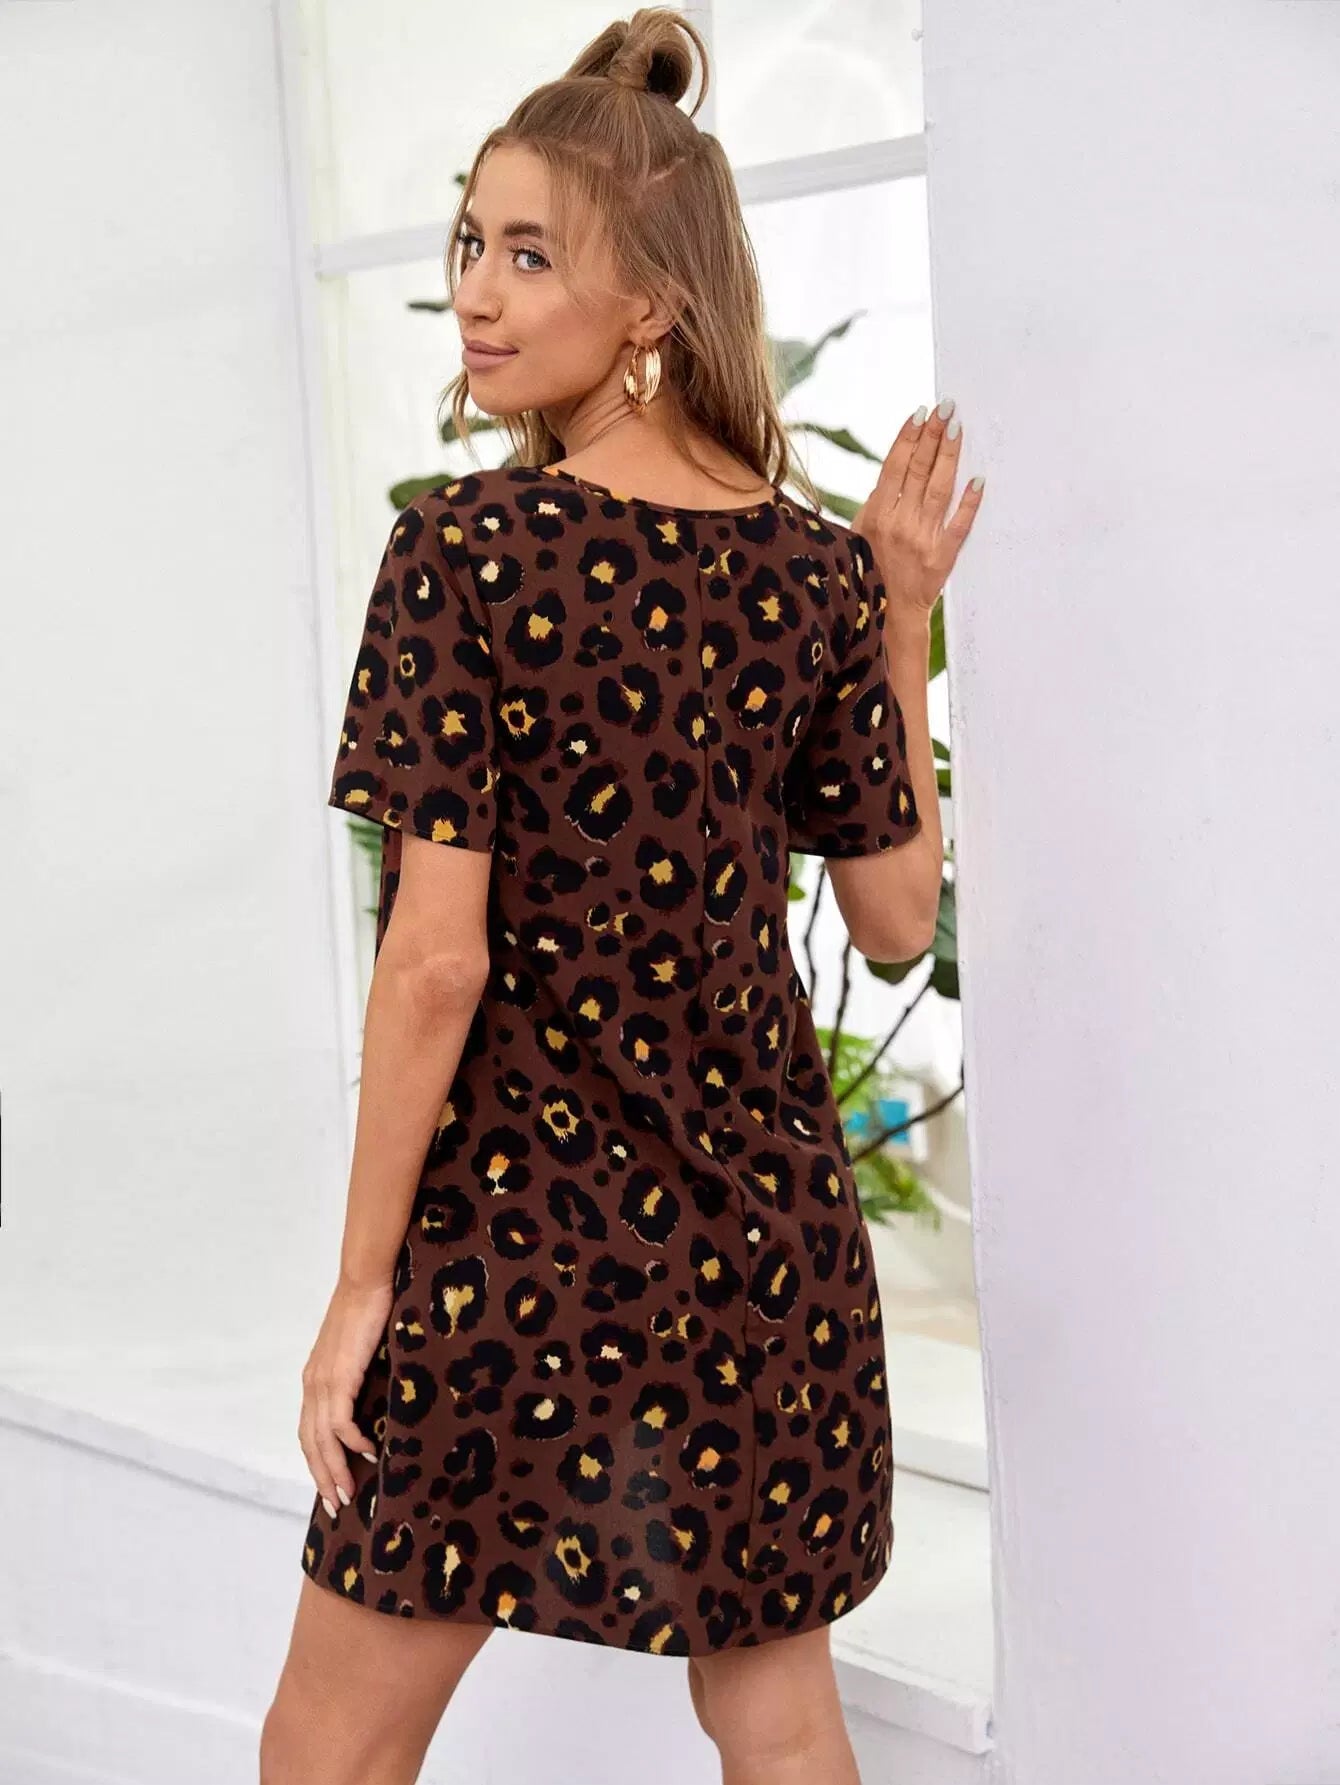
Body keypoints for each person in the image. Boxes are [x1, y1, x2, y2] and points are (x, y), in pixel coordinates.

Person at [261, 7, 981, 1782]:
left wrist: (360, 1288)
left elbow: (435, 969)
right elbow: (900, 918)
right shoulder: (816, 575)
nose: (475, 293)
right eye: (469, 242)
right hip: (760, 1251)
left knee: (328, 1748)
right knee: (777, 1723)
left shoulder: (465, 554)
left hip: (510, 1244)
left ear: (650, 304)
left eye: (529, 255)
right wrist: (897, 607)